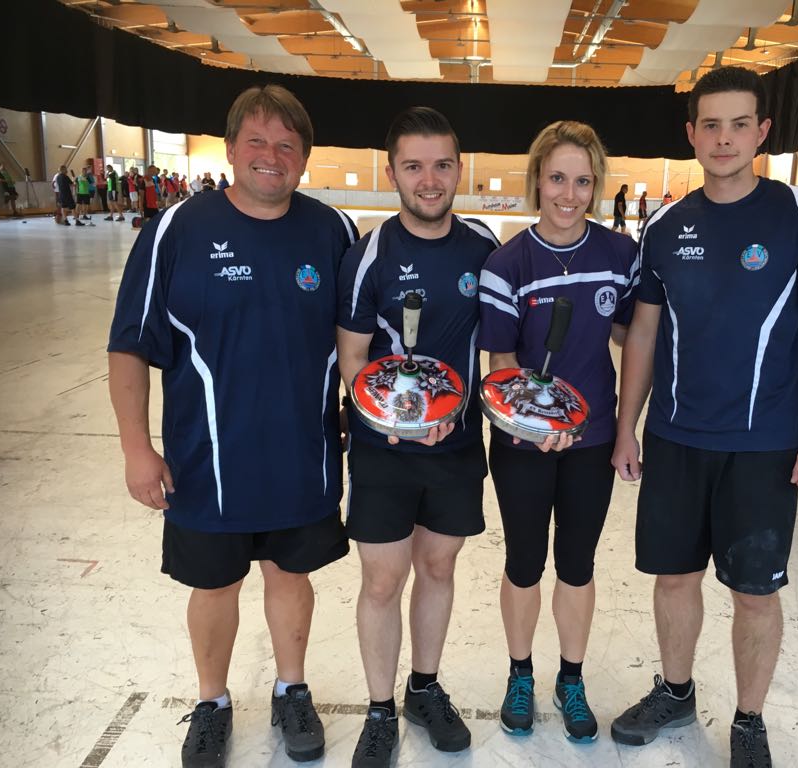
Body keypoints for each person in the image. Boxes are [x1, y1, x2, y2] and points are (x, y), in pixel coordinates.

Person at [107, 84, 358, 768]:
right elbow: (129, 345)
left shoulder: (332, 232)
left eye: (287, 145)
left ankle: (291, 690)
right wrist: (136, 448)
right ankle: (212, 703)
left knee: (290, 575)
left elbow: (357, 338)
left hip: (304, 456)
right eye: (258, 141)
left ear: (304, 157)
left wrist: (358, 409)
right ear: (230, 148)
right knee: (214, 584)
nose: (271, 155)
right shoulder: (175, 231)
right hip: (205, 461)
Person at [609, 66, 798, 768]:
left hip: (762, 447)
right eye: (710, 125)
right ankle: (675, 691)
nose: (724, 139)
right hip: (675, 439)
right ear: (691, 134)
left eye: (739, 124)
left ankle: (748, 720)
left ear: (762, 131)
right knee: (674, 579)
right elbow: (644, 333)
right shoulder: (665, 224)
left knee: (754, 594)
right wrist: (627, 427)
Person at [336, 106, 499, 768]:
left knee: (438, 567)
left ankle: (423, 689)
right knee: (383, 581)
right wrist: (398, 419)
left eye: (441, 165)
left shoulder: (483, 245)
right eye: (413, 166)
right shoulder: (368, 255)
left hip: (457, 446)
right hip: (384, 451)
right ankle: (380, 710)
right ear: (392, 172)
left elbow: (503, 344)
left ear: (459, 170)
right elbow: (352, 361)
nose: (428, 180)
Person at [477, 120, 639, 744]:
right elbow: (502, 364)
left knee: (576, 563)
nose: (569, 195)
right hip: (524, 443)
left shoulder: (620, 255)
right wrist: (535, 422)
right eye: (556, 179)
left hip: (591, 442)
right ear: (537, 182)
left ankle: (571, 679)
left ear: (596, 185)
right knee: (524, 563)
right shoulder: (506, 263)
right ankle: (520, 675)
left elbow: (631, 337)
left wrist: (626, 428)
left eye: (582, 181)